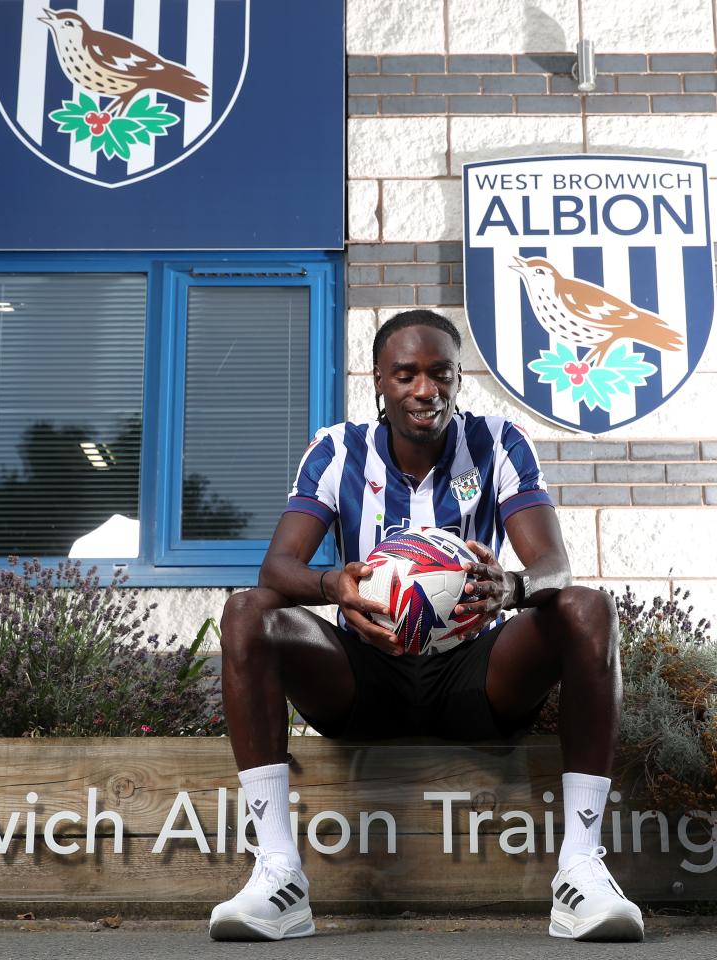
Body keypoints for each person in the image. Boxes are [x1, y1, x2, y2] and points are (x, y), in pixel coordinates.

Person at [209, 309, 641, 943]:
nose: (424, 389)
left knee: (587, 609)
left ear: (458, 377)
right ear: (379, 381)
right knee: (248, 612)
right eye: (405, 374)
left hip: (475, 675)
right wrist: (337, 587)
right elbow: (278, 566)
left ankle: (580, 869)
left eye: (440, 373)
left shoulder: (497, 443)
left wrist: (513, 589)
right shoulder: (336, 451)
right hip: (364, 674)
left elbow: (554, 564)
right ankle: (278, 875)